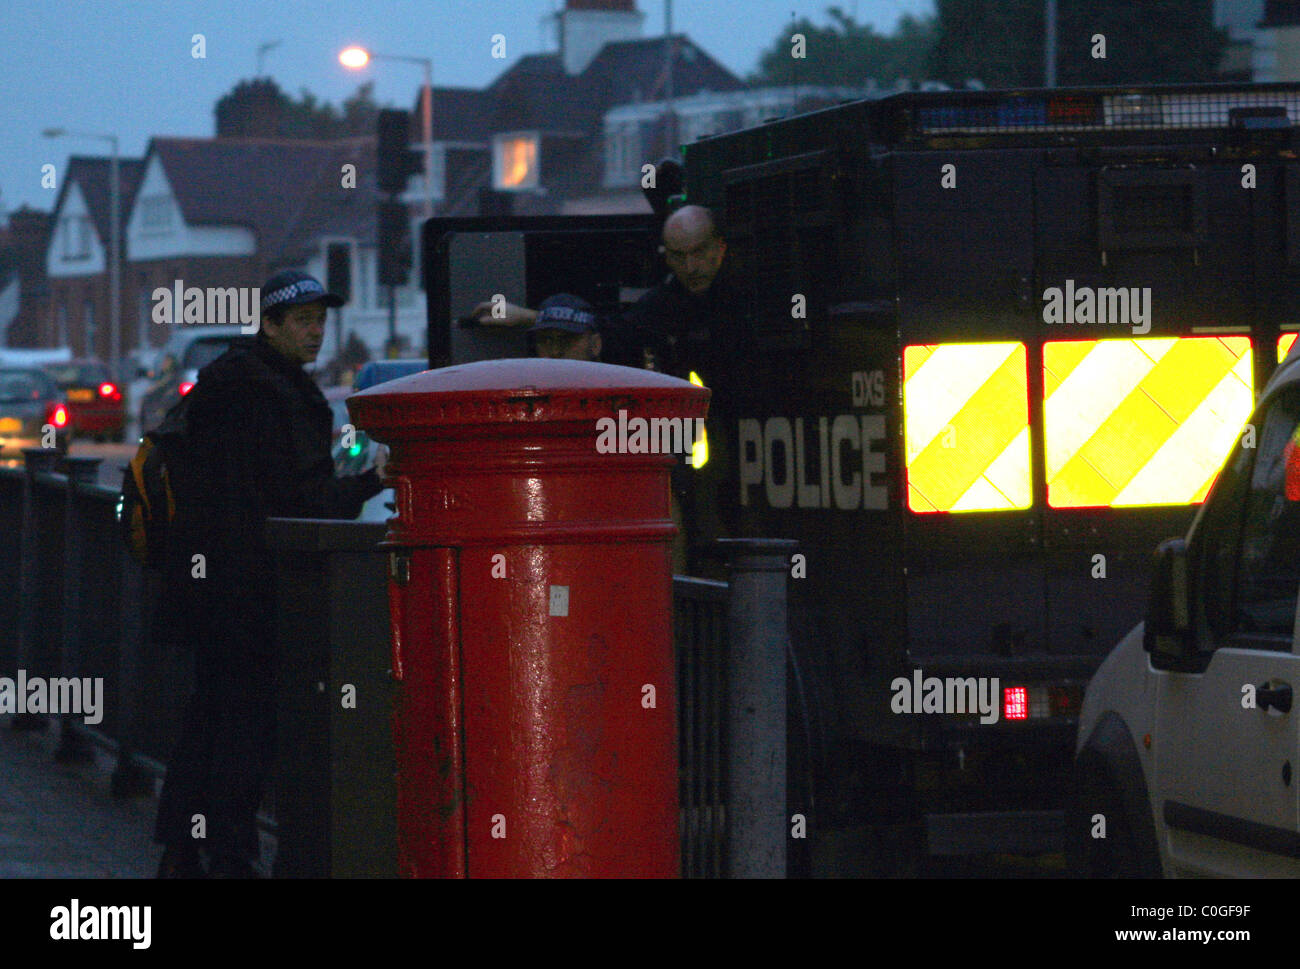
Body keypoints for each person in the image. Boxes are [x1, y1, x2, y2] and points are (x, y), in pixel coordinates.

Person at [154, 269, 384, 878]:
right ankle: (232, 853)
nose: (315, 333)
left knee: (211, 716)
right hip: (257, 586)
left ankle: (183, 848)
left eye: (321, 321)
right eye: (302, 321)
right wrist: (369, 484)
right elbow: (302, 501)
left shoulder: (224, 382)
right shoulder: (277, 395)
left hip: (207, 582)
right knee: (250, 728)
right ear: (271, 325)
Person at [471, 204, 738, 382]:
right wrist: (530, 318)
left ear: (720, 247)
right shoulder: (667, 301)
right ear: (666, 257)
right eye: (679, 256)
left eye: (699, 252)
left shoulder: (750, 290)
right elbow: (617, 331)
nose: (691, 267)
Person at [529, 293, 603, 361]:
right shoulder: (525, 375)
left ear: (595, 345)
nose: (555, 352)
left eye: (567, 341)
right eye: (544, 340)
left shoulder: (611, 375)